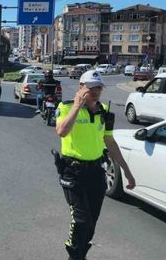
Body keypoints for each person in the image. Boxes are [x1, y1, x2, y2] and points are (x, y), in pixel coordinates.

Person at [55, 70, 135, 260]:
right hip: (73, 172)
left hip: (96, 173)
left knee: (91, 223)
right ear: (81, 88)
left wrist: (127, 171)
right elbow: (62, 131)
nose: (95, 91)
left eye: (99, 87)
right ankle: (74, 254)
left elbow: (110, 142)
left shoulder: (105, 113)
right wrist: (77, 107)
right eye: (91, 87)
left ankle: (81, 254)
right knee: (81, 221)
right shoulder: (65, 107)